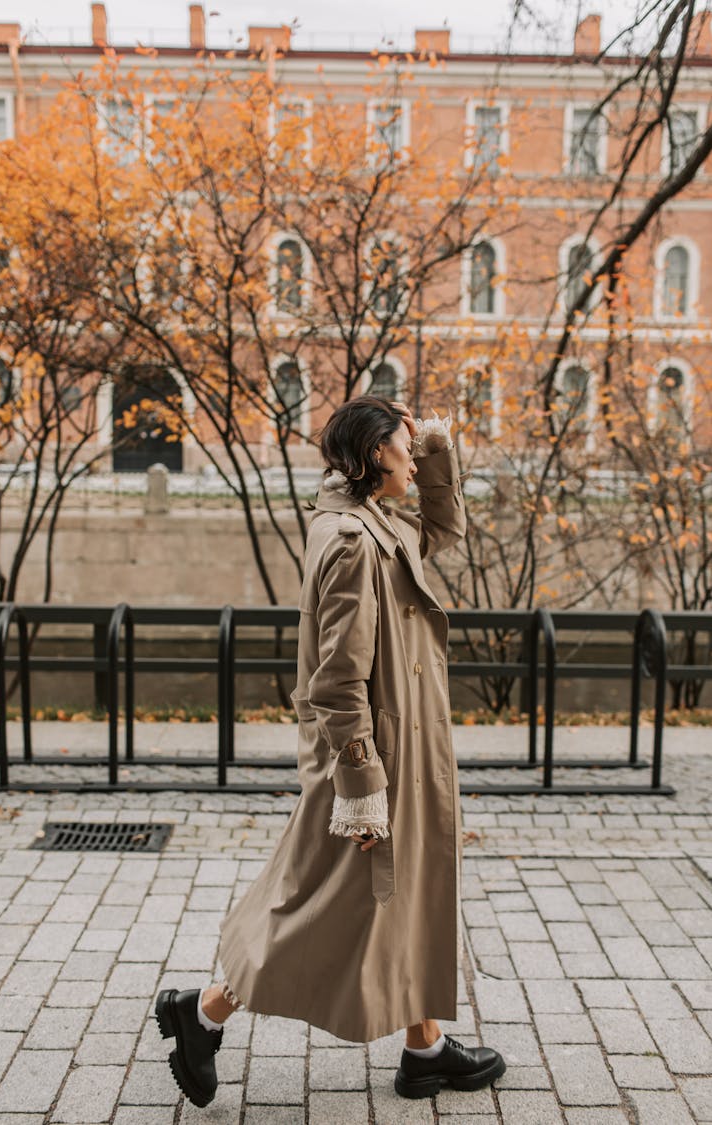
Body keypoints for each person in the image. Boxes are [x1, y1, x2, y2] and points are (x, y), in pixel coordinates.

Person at [155, 395, 506, 1106]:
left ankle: (425, 1046)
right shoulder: (352, 541)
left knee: (403, 894)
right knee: (334, 905)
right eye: (406, 447)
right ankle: (204, 1013)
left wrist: (435, 446)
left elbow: (445, 525)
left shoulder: (371, 520)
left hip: (401, 746)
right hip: (375, 758)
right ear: (376, 453)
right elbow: (336, 677)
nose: (412, 458)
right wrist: (362, 781)